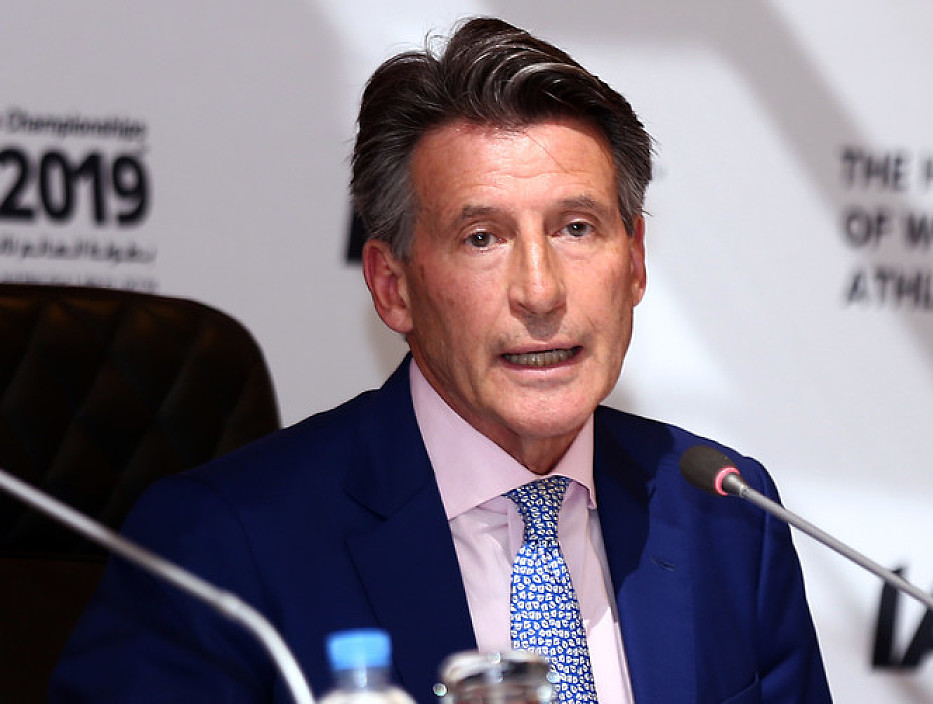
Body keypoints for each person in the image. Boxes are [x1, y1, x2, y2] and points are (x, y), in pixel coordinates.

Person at [51, 17, 831, 704]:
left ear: (634, 264)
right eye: (482, 238)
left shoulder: (727, 519)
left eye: (576, 228)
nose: (540, 291)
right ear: (393, 288)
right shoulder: (221, 547)